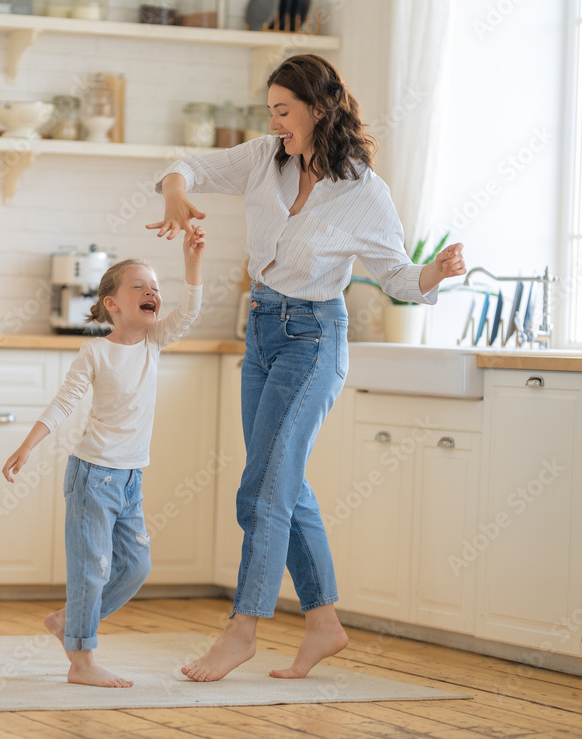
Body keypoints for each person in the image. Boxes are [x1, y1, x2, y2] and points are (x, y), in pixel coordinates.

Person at [147, 54, 466, 682]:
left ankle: (242, 631)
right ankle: (324, 625)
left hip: (314, 340)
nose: (275, 122)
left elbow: (400, 276)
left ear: (318, 109)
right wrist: (178, 192)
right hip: (261, 332)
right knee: (280, 482)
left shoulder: (363, 191)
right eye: (271, 111)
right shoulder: (266, 158)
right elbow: (184, 167)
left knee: (262, 488)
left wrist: (435, 274)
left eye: (284, 110)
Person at [2, 228, 205, 688]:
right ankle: (81, 661)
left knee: (135, 566)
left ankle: (69, 621)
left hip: (131, 479)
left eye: (155, 287)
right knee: (90, 569)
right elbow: (63, 401)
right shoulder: (95, 352)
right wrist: (27, 445)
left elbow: (189, 311)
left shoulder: (154, 342)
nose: (152, 292)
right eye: (139, 287)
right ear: (112, 303)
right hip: (93, 477)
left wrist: (192, 263)